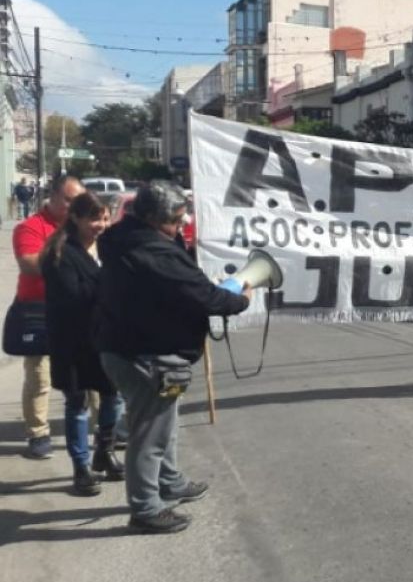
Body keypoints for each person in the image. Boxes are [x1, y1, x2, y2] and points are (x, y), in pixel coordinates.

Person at [96, 181, 253, 534]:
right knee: (150, 435)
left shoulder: (125, 238)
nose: (182, 226)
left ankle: (170, 482)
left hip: (130, 349)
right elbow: (204, 297)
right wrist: (240, 300)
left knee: (164, 427)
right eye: (176, 220)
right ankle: (146, 508)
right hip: (149, 356)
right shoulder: (154, 252)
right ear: (153, 218)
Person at [41, 192, 124, 495]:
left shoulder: (108, 247)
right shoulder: (61, 253)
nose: (100, 225)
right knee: (77, 403)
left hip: (105, 337)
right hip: (72, 339)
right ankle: (81, 467)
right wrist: (113, 289)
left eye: (104, 218)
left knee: (113, 395)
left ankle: (105, 449)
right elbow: (74, 297)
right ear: (74, 218)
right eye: (93, 218)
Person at [11, 176, 85, 459]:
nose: (73, 206)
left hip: (79, 310)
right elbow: (29, 263)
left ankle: (102, 427)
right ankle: (38, 433)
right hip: (38, 310)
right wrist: (72, 265)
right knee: (40, 376)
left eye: (77, 201)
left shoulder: (84, 226)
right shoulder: (30, 227)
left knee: (87, 373)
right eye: (68, 200)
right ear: (52, 196)